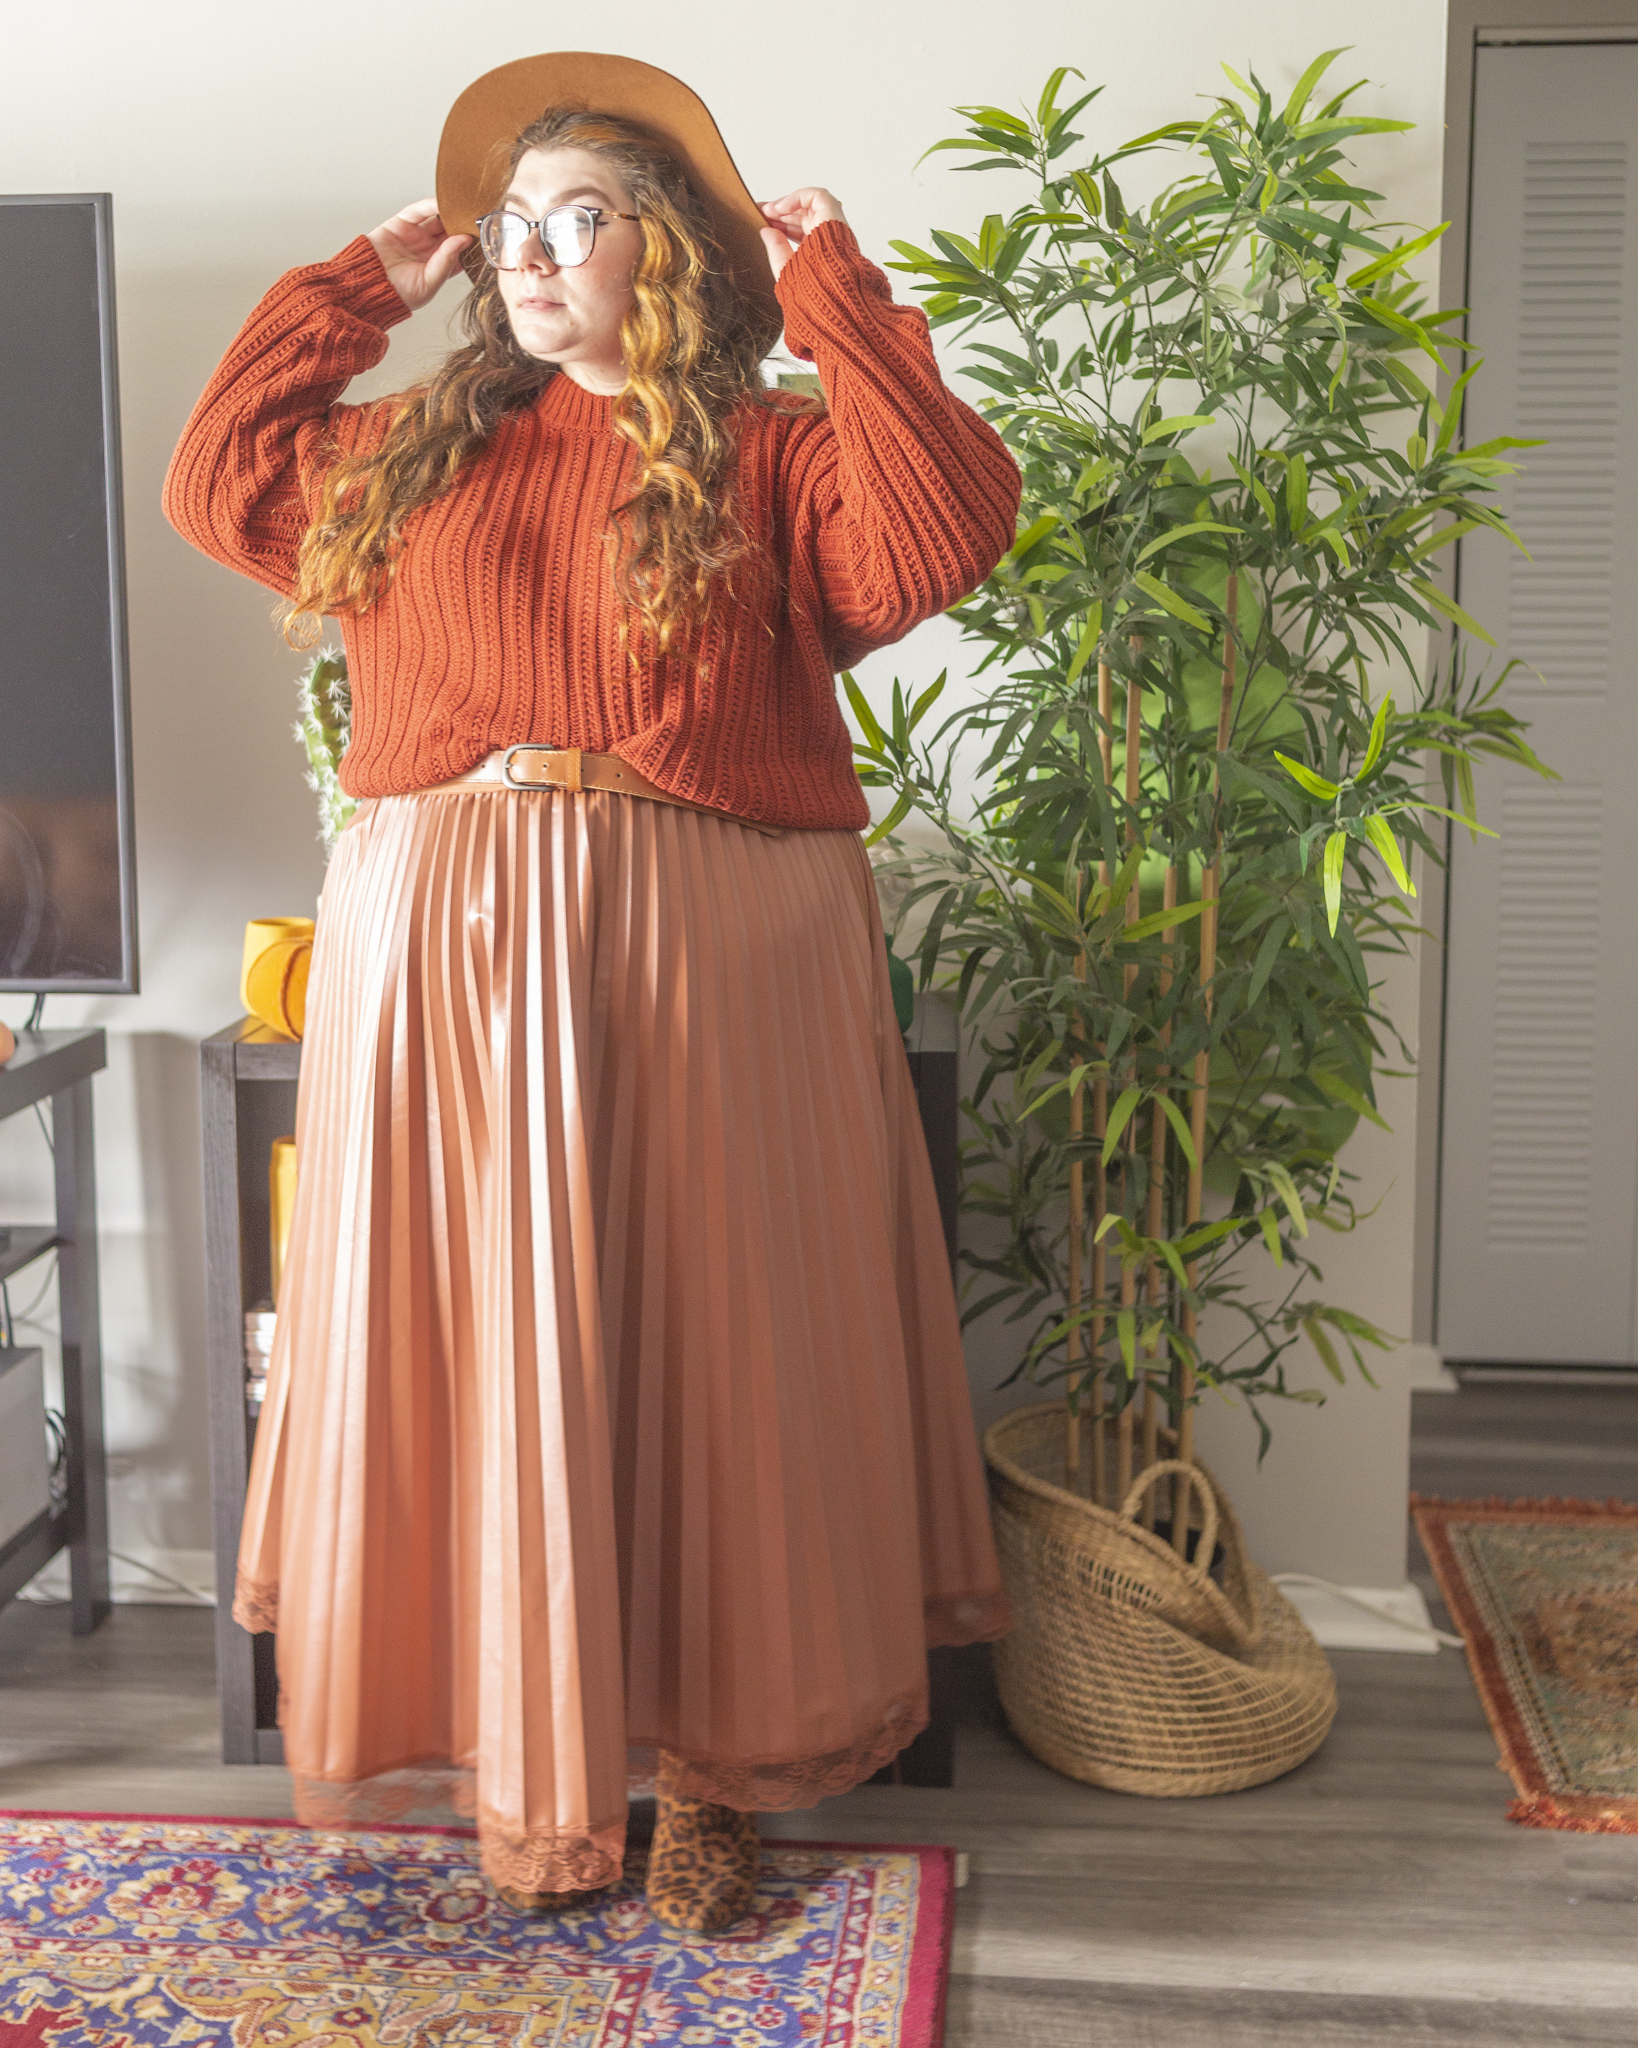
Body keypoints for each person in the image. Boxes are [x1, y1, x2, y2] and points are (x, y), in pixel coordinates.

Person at [164, 52, 1018, 1935]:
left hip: (721, 937)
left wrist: (845, 310)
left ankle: (715, 1778)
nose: (533, 255)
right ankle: (531, 1773)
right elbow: (213, 477)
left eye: (579, 217)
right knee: (481, 1344)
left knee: (727, 1342)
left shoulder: (781, 451)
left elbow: (946, 530)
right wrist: (351, 289)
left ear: (675, 255)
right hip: (445, 933)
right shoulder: (417, 447)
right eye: (509, 230)